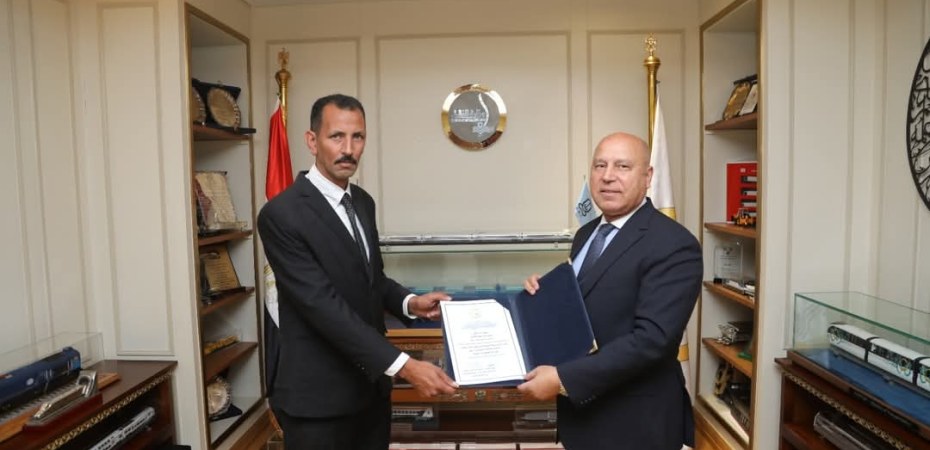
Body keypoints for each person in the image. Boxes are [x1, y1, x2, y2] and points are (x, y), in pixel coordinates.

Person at [257, 93, 458, 449]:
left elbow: (371, 279)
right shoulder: (281, 215)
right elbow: (322, 306)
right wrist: (404, 366)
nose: (348, 149)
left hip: (370, 391)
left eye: (358, 137)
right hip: (318, 402)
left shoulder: (362, 202)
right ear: (312, 141)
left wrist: (410, 302)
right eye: (337, 136)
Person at [517, 132, 702, 450]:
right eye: (599, 165)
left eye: (622, 166)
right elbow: (588, 303)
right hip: (584, 417)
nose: (607, 176)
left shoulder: (674, 244)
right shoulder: (587, 233)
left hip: (636, 424)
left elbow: (652, 341)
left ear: (648, 177)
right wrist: (545, 294)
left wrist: (563, 379)